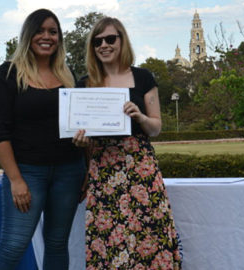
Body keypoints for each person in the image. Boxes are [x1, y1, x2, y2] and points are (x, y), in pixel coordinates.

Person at [73, 17, 182, 269]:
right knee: (109, 237)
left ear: (122, 40)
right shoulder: (84, 84)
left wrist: (140, 116)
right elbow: (79, 133)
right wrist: (79, 141)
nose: (104, 45)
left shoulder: (143, 77)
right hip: (103, 169)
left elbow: (156, 128)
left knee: (149, 233)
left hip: (141, 168)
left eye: (110, 39)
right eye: (98, 41)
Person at [0, 9, 85, 270]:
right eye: (40, 31)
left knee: (57, 244)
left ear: (59, 38)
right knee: (13, 245)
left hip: (69, 171)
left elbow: (79, 125)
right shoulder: (8, 74)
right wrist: (16, 180)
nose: (46, 36)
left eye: (53, 32)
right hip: (27, 173)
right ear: (28, 35)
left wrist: (85, 148)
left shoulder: (68, 75)